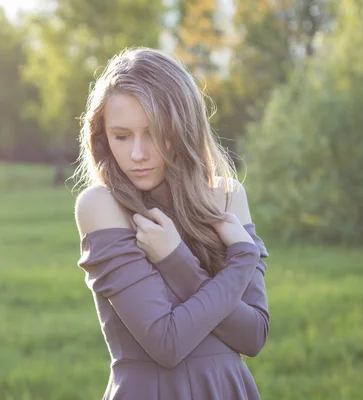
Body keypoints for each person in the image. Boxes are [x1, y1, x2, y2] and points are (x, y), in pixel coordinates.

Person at [72, 47, 270, 400]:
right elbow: (166, 343)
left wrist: (176, 262)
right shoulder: (102, 206)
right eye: (122, 136)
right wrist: (241, 260)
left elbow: (253, 336)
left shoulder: (227, 197)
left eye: (155, 133)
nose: (137, 153)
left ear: (185, 129)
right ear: (102, 137)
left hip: (228, 390)